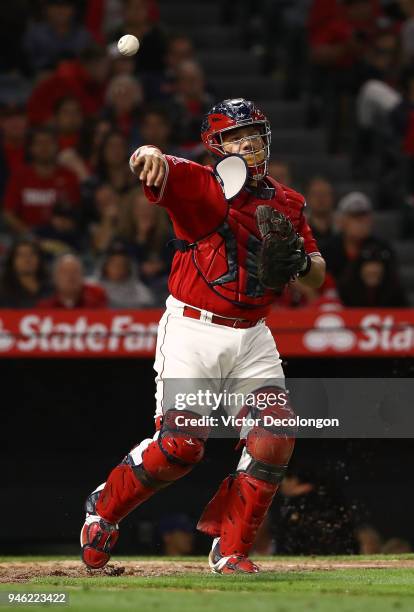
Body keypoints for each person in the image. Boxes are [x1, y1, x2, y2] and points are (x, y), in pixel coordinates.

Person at [80, 98, 325, 574]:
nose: (248, 143)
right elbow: (156, 163)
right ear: (217, 145)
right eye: (236, 136)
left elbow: (317, 275)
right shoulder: (202, 185)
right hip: (193, 327)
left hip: (253, 335)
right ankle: (104, 506)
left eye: (254, 133)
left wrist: (300, 263)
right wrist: (146, 152)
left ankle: (231, 550)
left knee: (274, 435)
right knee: (180, 446)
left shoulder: (289, 201)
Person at [3, 127, 80, 234]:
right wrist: (27, 233)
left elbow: (77, 212)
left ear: (56, 146)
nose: (44, 147)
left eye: (49, 142)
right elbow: (8, 213)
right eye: (39, 143)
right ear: (31, 148)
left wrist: (68, 223)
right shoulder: (20, 176)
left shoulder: (69, 176)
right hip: (27, 237)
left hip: (61, 237)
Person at [95, 240, 154, 308]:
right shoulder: (94, 286)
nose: (118, 268)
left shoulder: (140, 292)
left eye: (122, 265)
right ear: (105, 266)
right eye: (114, 264)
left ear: (128, 268)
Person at [38, 253, 107, 309]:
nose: (71, 276)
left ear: (82, 276)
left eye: (75, 272)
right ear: (55, 277)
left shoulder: (96, 307)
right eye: (65, 272)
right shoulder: (44, 309)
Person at [0, 239, 51, 308]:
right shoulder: (3, 290)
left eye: (32, 254)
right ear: (12, 261)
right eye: (21, 255)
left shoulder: (51, 289)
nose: (27, 259)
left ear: (39, 259)